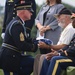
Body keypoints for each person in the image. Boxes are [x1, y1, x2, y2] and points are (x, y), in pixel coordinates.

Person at [33, 7, 75, 75]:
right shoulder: (69, 29)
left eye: (73, 19)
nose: (72, 21)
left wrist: (58, 53)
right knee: (48, 58)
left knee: (55, 60)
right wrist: (58, 52)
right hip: (69, 55)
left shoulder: (70, 29)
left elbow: (72, 49)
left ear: (67, 17)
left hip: (72, 57)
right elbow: (68, 46)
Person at [0, 2, 37, 75]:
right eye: (30, 11)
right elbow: (21, 45)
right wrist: (35, 47)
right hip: (10, 59)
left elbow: (25, 39)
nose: (32, 14)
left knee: (33, 62)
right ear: (23, 11)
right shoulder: (17, 25)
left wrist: (36, 41)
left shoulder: (18, 23)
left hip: (13, 56)